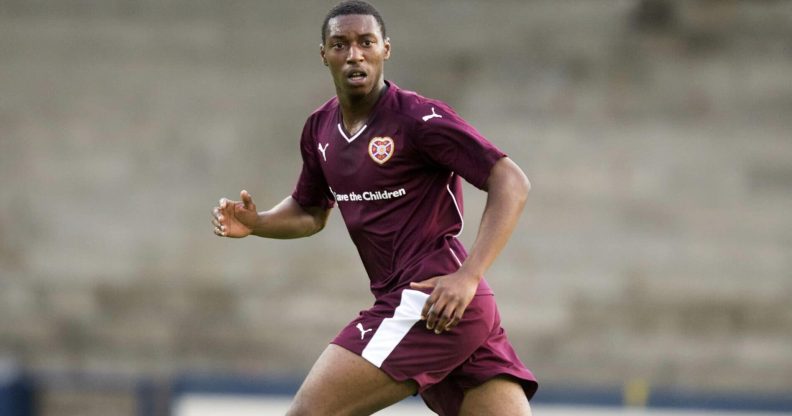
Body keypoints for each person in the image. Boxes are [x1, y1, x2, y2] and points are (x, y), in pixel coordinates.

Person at [211, 1, 537, 414]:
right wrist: (259, 223)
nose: (354, 54)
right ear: (324, 54)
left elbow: (511, 181)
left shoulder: (418, 119)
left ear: (385, 49)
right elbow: (311, 211)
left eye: (365, 42)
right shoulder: (319, 128)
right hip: (442, 311)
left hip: (429, 296)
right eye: (340, 44)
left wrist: (469, 275)